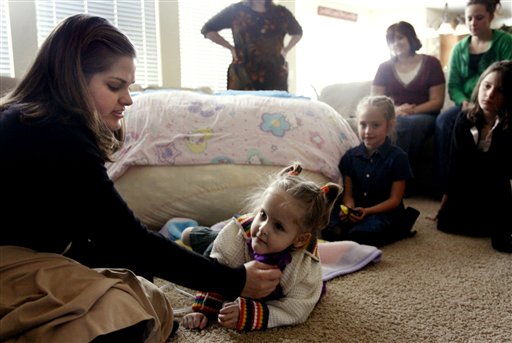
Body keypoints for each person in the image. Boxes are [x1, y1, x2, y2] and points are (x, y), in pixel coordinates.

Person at [0, 14, 281, 342]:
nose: (128, 99)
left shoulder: (29, 118)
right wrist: (235, 281)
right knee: (136, 310)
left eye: (128, 87)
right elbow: (129, 239)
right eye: (114, 86)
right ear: (73, 79)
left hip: (32, 250)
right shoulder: (58, 135)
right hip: (11, 263)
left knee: (138, 279)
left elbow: (109, 237)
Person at [179, 163, 341, 331]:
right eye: (263, 215)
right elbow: (216, 268)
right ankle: (198, 235)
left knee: (215, 239)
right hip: (227, 242)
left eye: (278, 226)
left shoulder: (305, 266)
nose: (263, 228)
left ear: (300, 240)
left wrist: (249, 314)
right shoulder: (236, 235)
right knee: (210, 245)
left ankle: (201, 235)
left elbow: (298, 308)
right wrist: (202, 311)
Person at [432, 60, 512, 253]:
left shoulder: (508, 126)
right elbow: (455, 165)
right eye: (487, 86)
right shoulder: (464, 119)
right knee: (445, 223)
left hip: (496, 190)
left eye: (499, 91)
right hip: (469, 188)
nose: (490, 95)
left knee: (500, 239)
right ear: (480, 85)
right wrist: (443, 205)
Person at [435, 0, 512, 193]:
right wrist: (464, 102)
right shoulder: (459, 48)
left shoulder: (505, 42)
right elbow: (453, 84)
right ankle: (447, 187)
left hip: (499, 101)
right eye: (469, 18)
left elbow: (508, 74)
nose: (473, 23)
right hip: (466, 103)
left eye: (479, 18)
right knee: (444, 122)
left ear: (490, 17)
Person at [322, 96, 419, 247]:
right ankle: (345, 231)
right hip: (358, 210)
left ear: (389, 125)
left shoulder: (398, 158)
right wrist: (349, 209)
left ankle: (394, 228)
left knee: (364, 233)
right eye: (363, 124)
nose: (368, 131)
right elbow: (348, 195)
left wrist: (367, 211)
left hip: (383, 212)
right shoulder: (350, 156)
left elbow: (395, 200)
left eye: (375, 125)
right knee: (329, 225)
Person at [372, 21, 445, 195]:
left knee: (406, 124)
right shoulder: (384, 67)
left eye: (400, 37)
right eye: (391, 40)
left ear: (411, 38)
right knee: (396, 123)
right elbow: (376, 101)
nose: (396, 43)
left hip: (424, 115)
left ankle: (398, 181)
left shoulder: (432, 63)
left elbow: (437, 101)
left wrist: (411, 110)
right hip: (393, 114)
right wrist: (396, 110)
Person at [201, 0, 303, 91]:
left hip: (275, 74)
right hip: (243, 74)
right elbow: (207, 29)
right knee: (242, 110)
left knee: (275, 111)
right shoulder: (236, 10)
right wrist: (230, 47)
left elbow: (298, 32)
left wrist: (286, 50)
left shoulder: (281, 13)